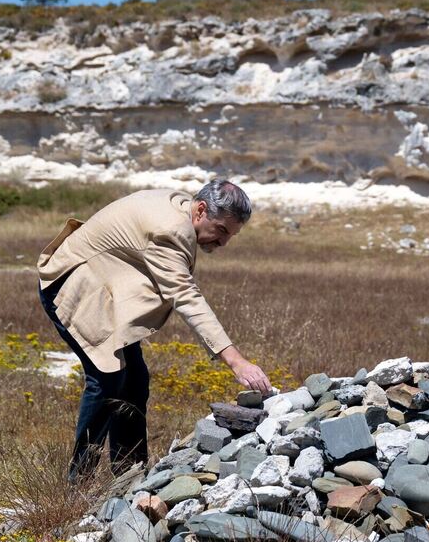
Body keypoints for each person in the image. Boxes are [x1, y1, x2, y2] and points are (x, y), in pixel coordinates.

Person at [36, 179, 272, 480]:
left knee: (135, 380)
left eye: (231, 235)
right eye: (222, 230)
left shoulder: (181, 207)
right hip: (71, 285)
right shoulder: (171, 230)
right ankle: (79, 481)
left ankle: (130, 477)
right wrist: (236, 361)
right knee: (107, 379)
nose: (224, 242)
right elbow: (185, 295)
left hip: (100, 285)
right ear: (201, 210)